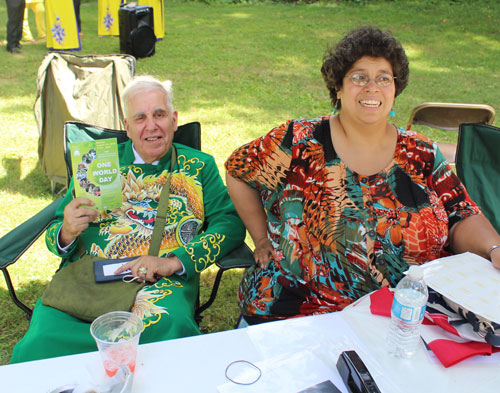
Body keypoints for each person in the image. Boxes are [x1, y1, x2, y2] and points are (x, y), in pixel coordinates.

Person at [225, 26, 500, 326]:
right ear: (338, 88)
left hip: (403, 320)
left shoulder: (421, 154)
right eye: (359, 77)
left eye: (384, 78)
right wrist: (262, 237)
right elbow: (238, 172)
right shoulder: (297, 142)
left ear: (395, 89)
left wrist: (494, 248)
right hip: (297, 318)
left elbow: (461, 213)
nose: (372, 87)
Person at [11, 76, 246, 363]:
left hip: (160, 281)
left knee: (169, 327)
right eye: (140, 118)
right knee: (42, 340)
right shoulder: (96, 162)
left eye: (159, 115)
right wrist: (67, 232)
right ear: (127, 126)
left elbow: (229, 223)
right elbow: (54, 234)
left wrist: (174, 261)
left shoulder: (198, 165)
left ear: (174, 120)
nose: (151, 126)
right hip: (88, 278)